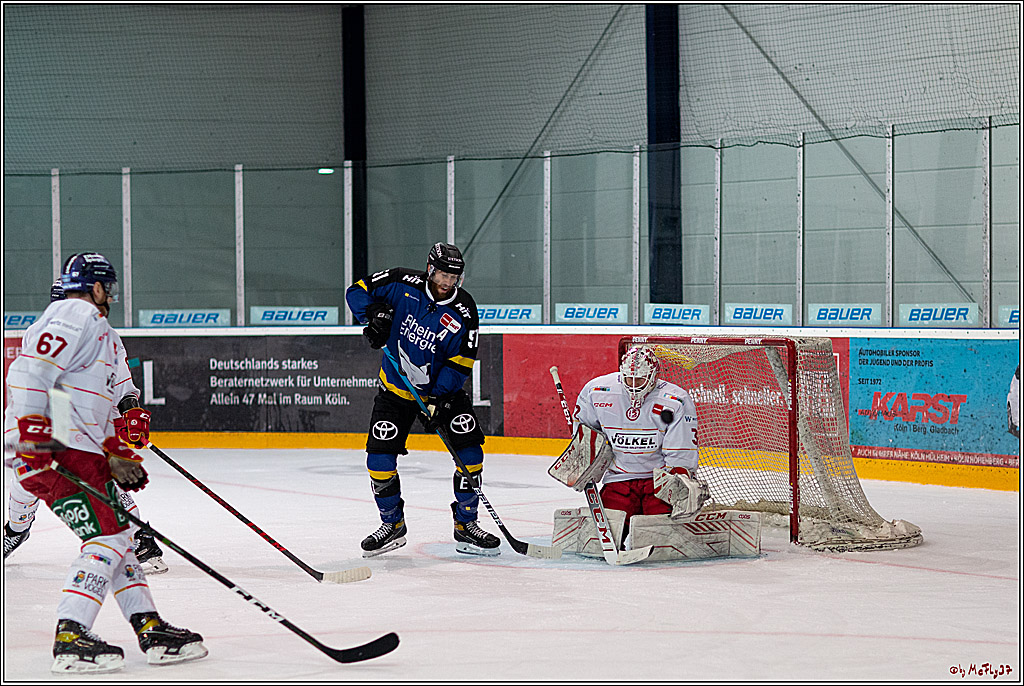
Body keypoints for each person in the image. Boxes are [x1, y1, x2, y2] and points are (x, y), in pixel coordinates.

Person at [3, 253, 206, 673]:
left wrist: (112, 452)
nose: (110, 296)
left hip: (74, 450)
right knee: (107, 540)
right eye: (108, 288)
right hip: (54, 451)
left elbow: (78, 400)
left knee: (120, 538)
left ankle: (149, 627)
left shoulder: (96, 329)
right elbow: (29, 374)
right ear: (96, 287)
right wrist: (37, 441)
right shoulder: (73, 314)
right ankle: (72, 634)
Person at [5, 273, 167, 574]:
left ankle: (139, 537)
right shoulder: (38, 334)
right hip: (53, 419)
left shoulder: (106, 337)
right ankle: (15, 530)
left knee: (99, 477)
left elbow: (120, 381)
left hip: (90, 421)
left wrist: (130, 410)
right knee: (26, 479)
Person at [345, 242, 500, 558]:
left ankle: (466, 526)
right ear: (430, 269)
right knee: (379, 461)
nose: (447, 282)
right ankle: (393, 525)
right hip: (396, 391)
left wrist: (438, 400)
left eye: (453, 276)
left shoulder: (465, 310)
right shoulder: (401, 282)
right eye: (442, 273)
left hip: (444, 394)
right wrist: (374, 315)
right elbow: (356, 291)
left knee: (471, 457)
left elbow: (461, 362)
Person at [571, 346, 708, 532]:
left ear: (653, 377)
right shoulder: (596, 391)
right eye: (629, 378)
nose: (634, 385)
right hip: (618, 479)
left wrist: (681, 478)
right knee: (607, 533)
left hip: (658, 481)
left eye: (640, 379)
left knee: (661, 533)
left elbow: (680, 449)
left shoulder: (675, 399)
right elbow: (586, 433)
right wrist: (582, 457)